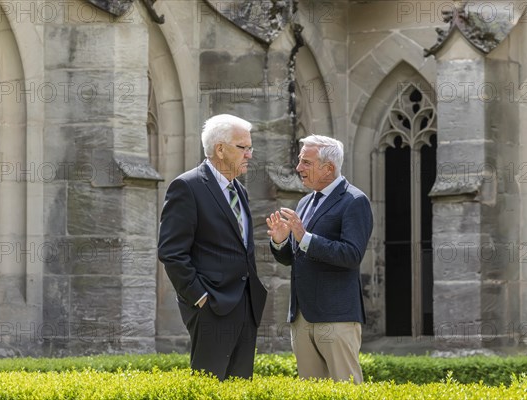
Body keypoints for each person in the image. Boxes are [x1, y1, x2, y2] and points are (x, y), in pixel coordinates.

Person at [158, 114, 267, 380]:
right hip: (211, 308)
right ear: (220, 149)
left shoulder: (239, 190)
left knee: (238, 387)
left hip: (245, 305)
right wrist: (200, 297)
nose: (249, 155)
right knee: (209, 387)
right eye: (243, 147)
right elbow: (171, 252)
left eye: (250, 148)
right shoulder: (187, 186)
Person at [266, 134, 373, 384]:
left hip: (337, 317)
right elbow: (293, 258)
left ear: (329, 168)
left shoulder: (355, 201)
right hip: (302, 317)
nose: (298, 168)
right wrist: (281, 241)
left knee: (347, 391)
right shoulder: (304, 202)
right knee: (311, 392)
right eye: (300, 161)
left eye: (306, 163)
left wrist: (305, 237)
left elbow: (352, 255)